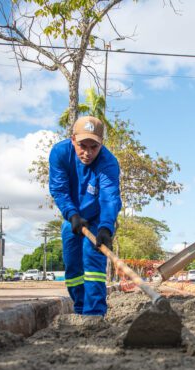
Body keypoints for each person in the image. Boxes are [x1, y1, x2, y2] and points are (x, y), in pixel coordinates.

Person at [48, 116, 122, 317]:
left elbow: (109, 197)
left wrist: (106, 227)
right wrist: (71, 215)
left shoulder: (108, 163)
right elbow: (59, 189)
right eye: (82, 145)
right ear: (73, 139)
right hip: (72, 216)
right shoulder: (60, 153)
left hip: (98, 218)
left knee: (93, 262)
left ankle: (95, 314)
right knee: (73, 266)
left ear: (101, 144)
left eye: (93, 147)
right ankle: (80, 309)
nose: (87, 153)